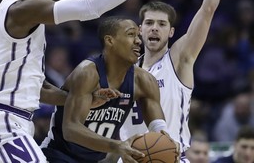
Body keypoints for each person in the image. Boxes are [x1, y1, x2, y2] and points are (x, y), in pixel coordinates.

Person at [0, 0, 181, 162]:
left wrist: (90, 100)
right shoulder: (21, 10)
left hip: (15, 120)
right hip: (3, 121)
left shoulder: (23, 26)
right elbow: (89, 6)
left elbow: (40, 89)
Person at [119, 0, 234, 162]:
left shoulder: (178, 59)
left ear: (171, 32)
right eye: (149, 23)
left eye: (162, 24)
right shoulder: (125, 71)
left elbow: (207, 10)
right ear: (139, 29)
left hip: (169, 156)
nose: (155, 28)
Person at [40, 17, 179, 162]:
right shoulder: (88, 73)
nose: (138, 41)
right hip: (58, 155)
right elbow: (70, 130)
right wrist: (118, 146)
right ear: (110, 41)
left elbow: (158, 127)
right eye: (131, 34)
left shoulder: (144, 81)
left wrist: (167, 143)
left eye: (138, 36)